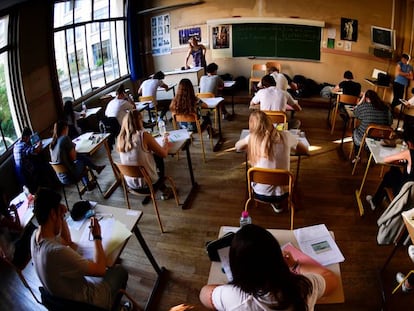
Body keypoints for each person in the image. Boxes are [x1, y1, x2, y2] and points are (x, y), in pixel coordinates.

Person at [199, 224, 338, 310]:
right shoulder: (304, 286)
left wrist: (228, 287)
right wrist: (295, 264)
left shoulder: (234, 297)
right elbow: (331, 280)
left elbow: (204, 294)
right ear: (278, 258)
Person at [30, 188, 128, 309]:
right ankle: (115, 306)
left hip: (61, 300)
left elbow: (67, 241)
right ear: (52, 214)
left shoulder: (35, 236)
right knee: (120, 271)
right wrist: (97, 236)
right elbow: (100, 269)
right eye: (58, 212)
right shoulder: (55, 252)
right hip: (88, 302)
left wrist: (61, 217)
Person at [235, 110, 308, 213]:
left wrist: (249, 143)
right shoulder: (285, 135)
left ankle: (273, 201)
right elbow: (305, 150)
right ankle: (277, 203)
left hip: (258, 193)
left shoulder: (252, 138)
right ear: (269, 121)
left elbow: (237, 147)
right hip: (284, 193)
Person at [116, 110, 173, 204]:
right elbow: (164, 154)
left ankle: (162, 189)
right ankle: (164, 189)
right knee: (159, 157)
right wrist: (166, 143)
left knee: (151, 157)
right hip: (149, 184)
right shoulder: (143, 135)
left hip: (130, 184)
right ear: (139, 120)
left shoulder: (121, 138)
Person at [366, 125, 414, 211]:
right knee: (394, 171)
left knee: (389, 175)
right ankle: (381, 197)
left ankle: (375, 201)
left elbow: (386, 160)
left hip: (404, 195)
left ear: (409, 143)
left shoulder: (409, 153)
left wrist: (401, 157)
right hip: (412, 194)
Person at [49, 120, 105, 189]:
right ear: (65, 128)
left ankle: (94, 172)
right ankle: (90, 180)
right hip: (71, 176)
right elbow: (74, 158)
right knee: (82, 159)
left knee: (80, 157)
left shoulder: (52, 143)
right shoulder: (65, 138)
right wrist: (73, 147)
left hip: (61, 177)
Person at [352, 90, 392, 159]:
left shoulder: (364, 106)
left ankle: (357, 156)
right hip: (381, 138)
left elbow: (355, 113)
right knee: (372, 132)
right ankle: (370, 155)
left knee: (355, 131)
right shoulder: (385, 107)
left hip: (365, 137)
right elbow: (390, 122)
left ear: (366, 98)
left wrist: (360, 102)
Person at [13, 127, 55, 193]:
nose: (29, 139)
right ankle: (51, 187)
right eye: (29, 137)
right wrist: (39, 143)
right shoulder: (23, 145)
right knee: (45, 165)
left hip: (19, 172)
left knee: (39, 162)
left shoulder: (16, 145)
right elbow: (37, 150)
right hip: (27, 172)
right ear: (26, 137)